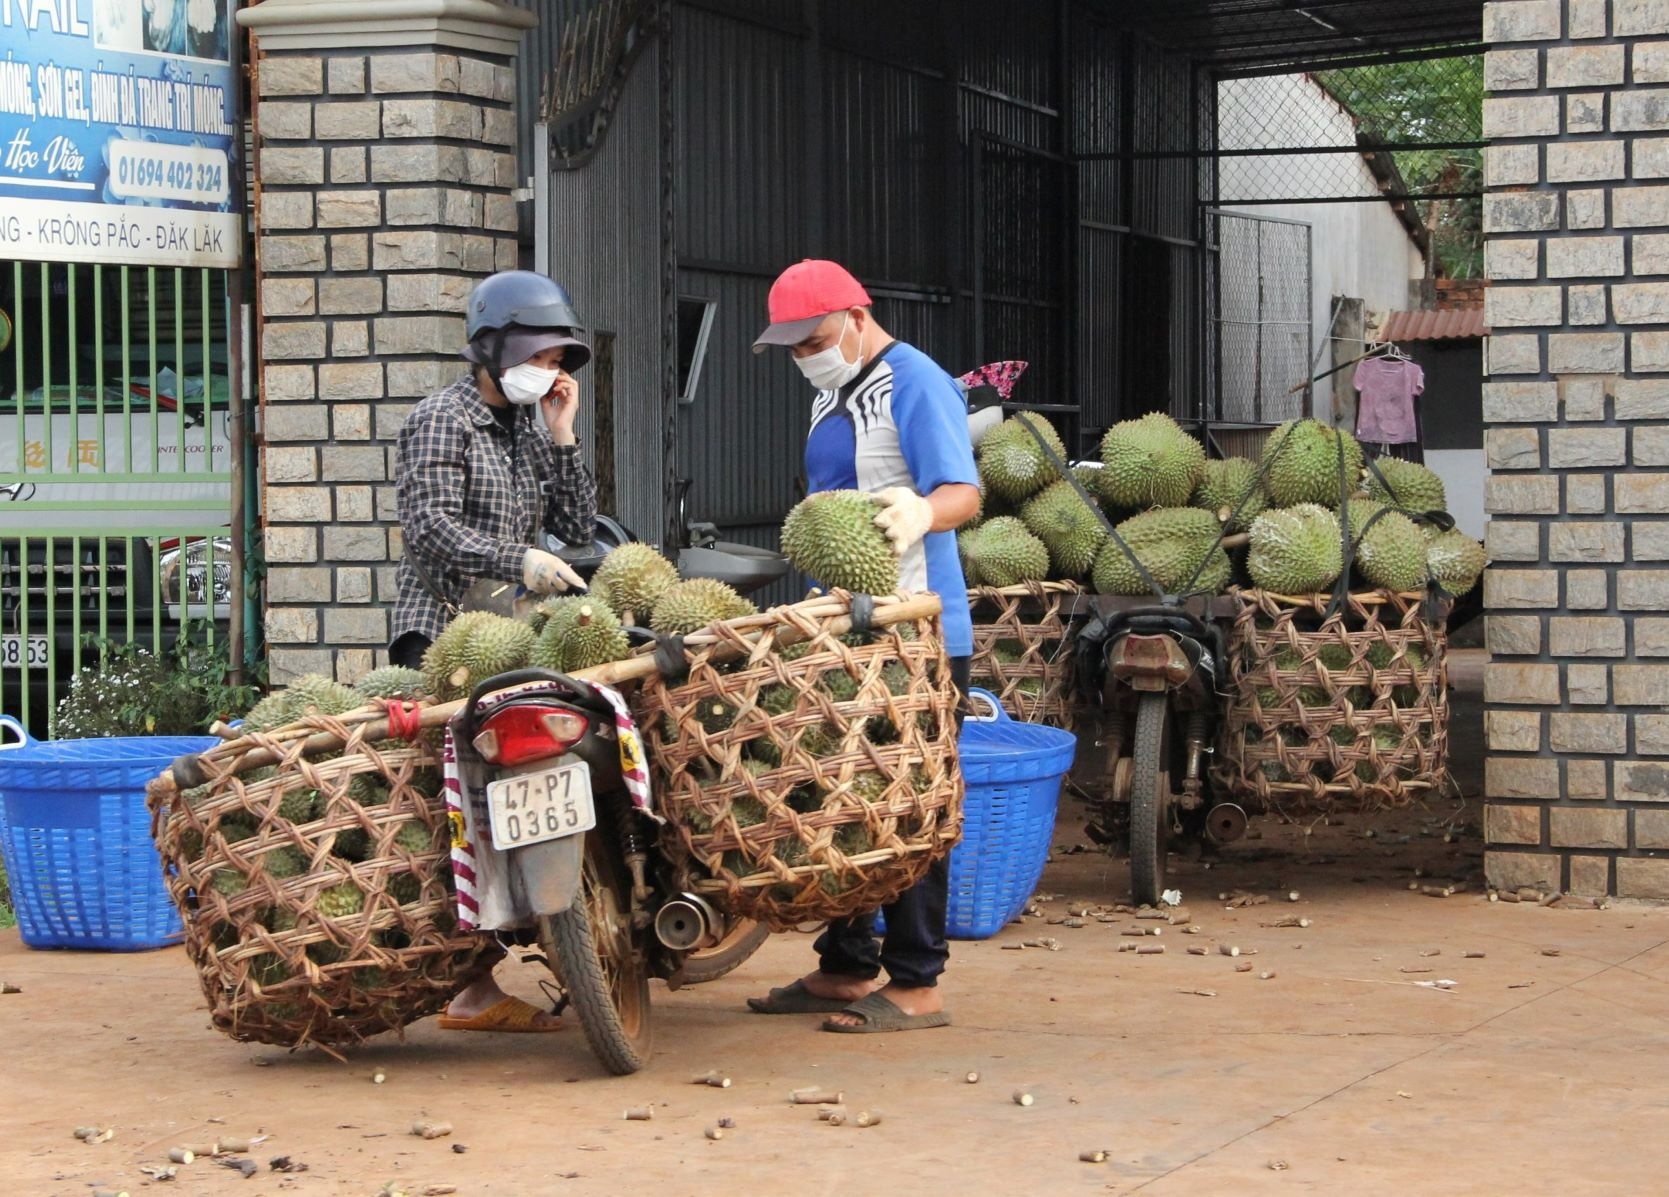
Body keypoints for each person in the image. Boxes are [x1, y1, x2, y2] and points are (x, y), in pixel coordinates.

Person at [747, 259, 979, 1033]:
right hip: (850, 632)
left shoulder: (914, 381)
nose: (802, 356)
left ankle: (916, 980)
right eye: (791, 347)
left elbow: (962, 491)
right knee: (845, 796)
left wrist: (922, 512)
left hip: (917, 632)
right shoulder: (831, 391)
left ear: (855, 317)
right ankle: (846, 964)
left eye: (811, 340)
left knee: (909, 801)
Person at [391, 269, 599, 1033]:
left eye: (557, 360)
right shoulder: (439, 420)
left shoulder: (526, 426)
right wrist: (518, 559)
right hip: (445, 633)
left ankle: (562, 929)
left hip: (513, 633)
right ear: (490, 348)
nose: (548, 371)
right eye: (538, 356)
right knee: (459, 802)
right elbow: (429, 527)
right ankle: (473, 980)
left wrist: (562, 432)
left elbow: (578, 524)